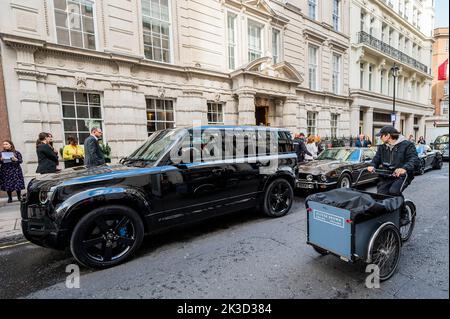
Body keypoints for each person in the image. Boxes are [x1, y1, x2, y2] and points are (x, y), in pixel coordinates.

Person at [367, 126, 420, 197]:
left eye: (381, 136)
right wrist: (372, 165)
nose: (380, 138)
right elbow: (376, 158)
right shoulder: (382, 147)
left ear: (388, 135)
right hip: (387, 175)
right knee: (381, 195)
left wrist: (404, 168)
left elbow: (414, 159)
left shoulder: (407, 145)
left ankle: (401, 207)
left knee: (394, 191)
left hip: (402, 176)